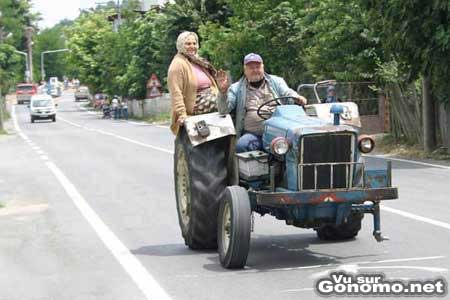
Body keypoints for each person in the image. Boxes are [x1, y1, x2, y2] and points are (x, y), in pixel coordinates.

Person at [217, 53, 307, 152]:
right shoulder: (236, 88)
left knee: (300, 141)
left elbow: (287, 92)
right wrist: (223, 92)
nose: (255, 70)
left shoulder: (276, 81)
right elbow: (223, 110)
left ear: (263, 67)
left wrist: (297, 97)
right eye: (251, 68)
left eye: (258, 67)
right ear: (245, 70)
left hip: (278, 132)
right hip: (254, 135)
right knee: (242, 145)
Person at [168, 31, 221, 136]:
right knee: (222, 102)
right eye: (188, 44)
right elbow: (176, 92)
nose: (192, 46)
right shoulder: (177, 64)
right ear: (180, 45)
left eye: (194, 43)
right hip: (196, 103)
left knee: (232, 99)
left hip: (211, 95)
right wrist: (182, 114)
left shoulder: (197, 60)